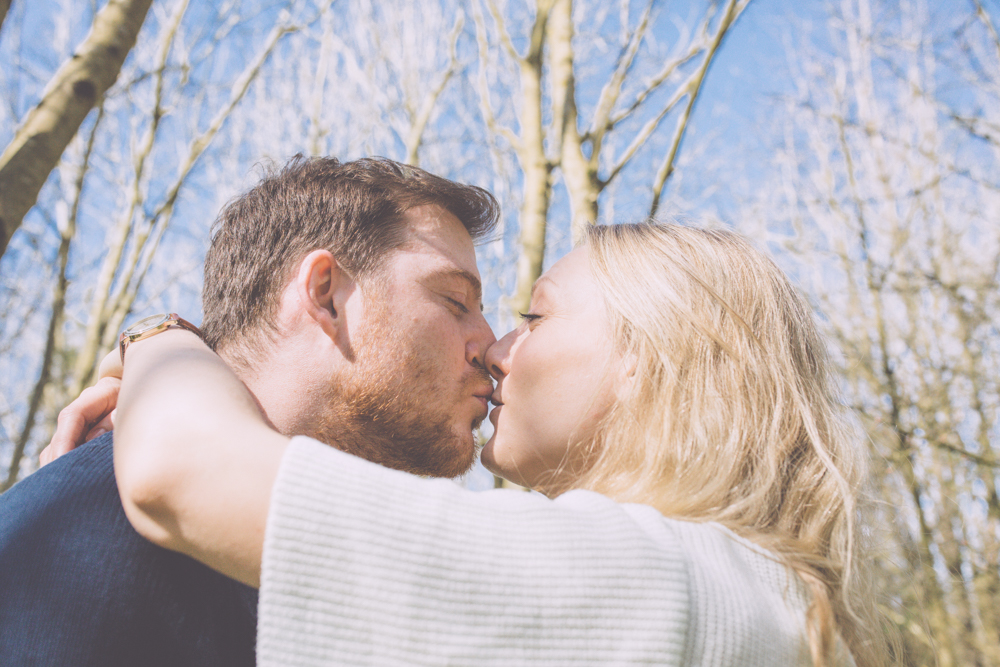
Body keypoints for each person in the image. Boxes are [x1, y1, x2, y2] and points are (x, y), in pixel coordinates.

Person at [99, 223, 892, 666]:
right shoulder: (757, 593)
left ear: (656, 360)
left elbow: (180, 468)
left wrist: (158, 339)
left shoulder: (652, 580)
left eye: (537, 317)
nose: (496, 348)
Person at [0, 156, 500, 665]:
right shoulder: (78, 536)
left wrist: (155, 338)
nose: (491, 345)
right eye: (456, 301)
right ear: (326, 295)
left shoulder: (340, 583)